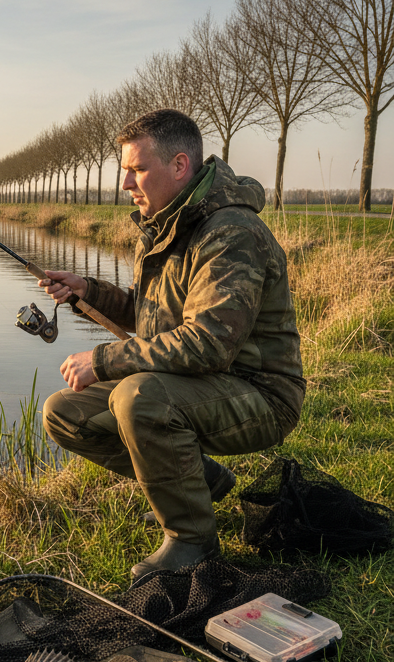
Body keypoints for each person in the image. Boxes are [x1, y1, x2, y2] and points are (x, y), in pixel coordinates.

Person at [40, 109, 304, 583]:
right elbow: (150, 313)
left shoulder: (231, 233)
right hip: (202, 383)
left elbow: (207, 345)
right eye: (125, 169)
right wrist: (88, 292)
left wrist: (102, 360)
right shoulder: (165, 223)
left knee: (136, 396)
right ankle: (197, 481)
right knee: (64, 412)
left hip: (259, 393)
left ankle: (192, 541)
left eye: (137, 169)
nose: (125, 183)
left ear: (180, 165)